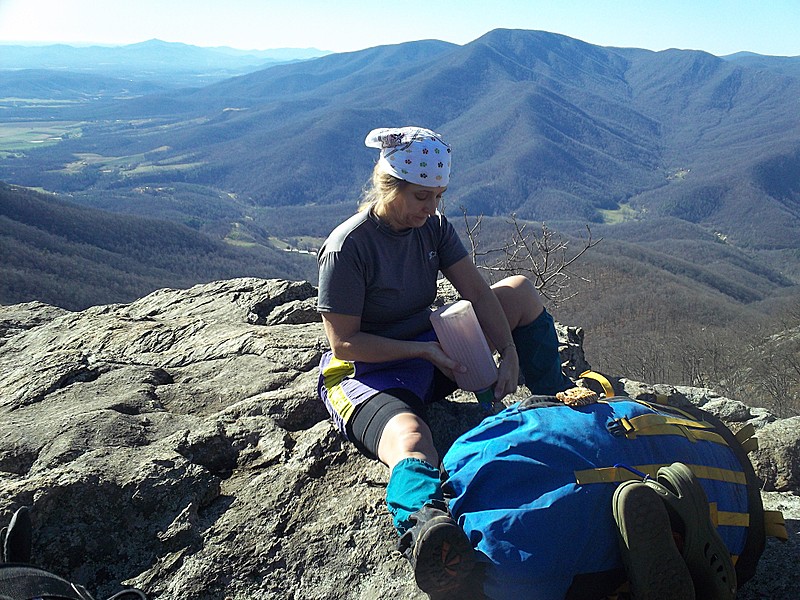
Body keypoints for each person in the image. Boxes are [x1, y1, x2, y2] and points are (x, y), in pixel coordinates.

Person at [315, 126, 572, 596]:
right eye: (419, 196)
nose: (430, 208)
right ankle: (428, 529)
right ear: (387, 185)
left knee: (517, 291)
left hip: (428, 348)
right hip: (368, 372)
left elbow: (476, 289)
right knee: (412, 437)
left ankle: (553, 401)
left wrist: (508, 352)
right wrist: (422, 350)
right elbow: (345, 345)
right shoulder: (348, 247)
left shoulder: (433, 227)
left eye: (438, 196)